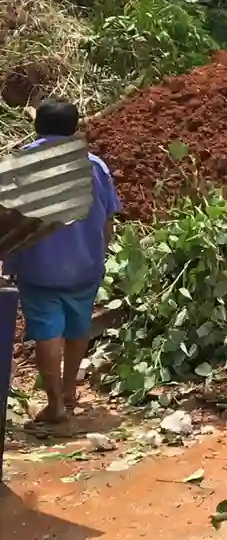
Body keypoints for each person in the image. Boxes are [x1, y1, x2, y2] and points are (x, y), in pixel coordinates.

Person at [3, 99, 120, 424]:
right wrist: (100, 252)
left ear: (37, 127)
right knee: (78, 326)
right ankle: (69, 391)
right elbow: (108, 219)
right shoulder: (95, 166)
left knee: (46, 331)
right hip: (85, 265)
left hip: (38, 267)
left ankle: (54, 404)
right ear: (74, 129)